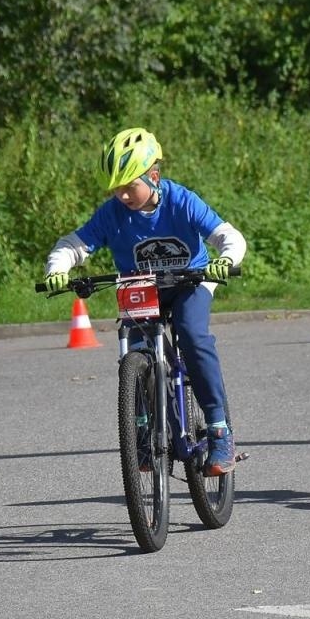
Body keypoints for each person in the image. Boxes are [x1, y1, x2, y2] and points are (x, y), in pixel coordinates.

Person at [41, 126, 247, 475]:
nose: (122, 195)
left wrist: (225, 261)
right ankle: (145, 430)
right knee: (135, 350)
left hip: (189, 281)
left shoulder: (182, 200)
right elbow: (72, 245)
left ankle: (218, 429)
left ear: (154, 176)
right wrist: (57, 268)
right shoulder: (112, 214)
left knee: (193, 334)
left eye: (129, 186)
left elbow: (229, 237)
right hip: (141, 287)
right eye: (117, 188)